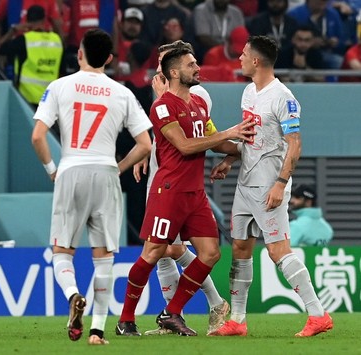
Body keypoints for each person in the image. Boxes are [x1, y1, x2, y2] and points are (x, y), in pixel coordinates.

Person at [116, 45, 255, 337]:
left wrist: (242, 149)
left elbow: (212, 141)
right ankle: (125, 319)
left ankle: (171, 313)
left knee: (210, 253)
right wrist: (229, 133)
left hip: (195, 193)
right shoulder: (162, 106)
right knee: (154, 253)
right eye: (192, 65)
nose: (198, 68)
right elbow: (184, 145)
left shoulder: (199, 104)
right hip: (169, 191)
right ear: (175, 72)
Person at [31, 29, 153, 345]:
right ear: (110, 59)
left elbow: (37, 136)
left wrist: (52, 170)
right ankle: (97, 331)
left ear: (79, 54)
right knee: (104, 257)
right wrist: (118, 168)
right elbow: (145, 144)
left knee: (62, 251)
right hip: (106, 174)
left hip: (71, 169)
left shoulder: (59, 87)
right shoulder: (123, 92)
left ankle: (73, 295)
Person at [209, 35, 333, 337]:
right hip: (245, 184)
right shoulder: (249, 93)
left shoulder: (284, 97)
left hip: (269, 186)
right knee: (239, 248)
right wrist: (230, 160)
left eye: (243, 54)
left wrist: (280, 184)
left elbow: (295, 145)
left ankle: (318, 315)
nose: (238, 58)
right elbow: (253, 142)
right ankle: (237, 320)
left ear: (256, 61)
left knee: (278, 251)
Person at [136, 40, 231, 337]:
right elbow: (166, 135)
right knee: (163, 252)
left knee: (170, 248)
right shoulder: (165, 98)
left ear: (175, 68)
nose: (160, 69)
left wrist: (163, 97)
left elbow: (194, 135)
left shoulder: (195, 94)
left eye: (165, 62)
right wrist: (146, 154)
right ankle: (172, 318)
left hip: (179, 182)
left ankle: (212, 303)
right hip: (160, 173)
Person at [0, 5, 63, 108]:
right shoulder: (57, 40)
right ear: (44, 19)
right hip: (50, 99)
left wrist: (13, 30)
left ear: (26, 19)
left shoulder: (24, 40)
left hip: (26, 98)